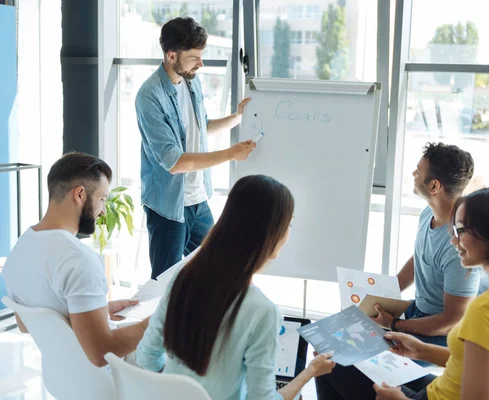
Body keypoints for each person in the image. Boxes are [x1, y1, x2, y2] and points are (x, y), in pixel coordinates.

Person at [136, 175, 335, 399]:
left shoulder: (183, 278)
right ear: (273, 234)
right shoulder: (262, 310)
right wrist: (311, 371)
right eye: (289, 224)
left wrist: (182, 388)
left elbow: (146, 357)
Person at [316, 142, 481, 398]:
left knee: (340, 358)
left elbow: (452, 321)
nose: (413, 175)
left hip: (439, 332)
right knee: (331, 342)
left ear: (434, 186)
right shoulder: (429, 214)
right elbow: (420, 257)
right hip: (418, 311)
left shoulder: (457, 245)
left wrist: (396, 324)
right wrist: (387, 292)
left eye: (418, 171)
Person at [372, 185, 489, 400]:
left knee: (337, 364)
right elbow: (480, 362)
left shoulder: (488, 308)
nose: (453, 240)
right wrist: (421, 350)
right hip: (445, 386)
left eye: (460, 231)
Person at [136, 17, 256, 279]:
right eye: (194, 57)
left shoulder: (191, 81)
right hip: (168, 206)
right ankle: (163, 322)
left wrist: (236, 117)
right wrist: (230, 154)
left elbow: (201, 127)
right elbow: (174, 161)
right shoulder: (149, 97)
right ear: (171, 56)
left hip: (198, 200)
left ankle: (201, 319)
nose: (200, 64)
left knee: (219, 269)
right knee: (164, 282)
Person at [2, 152, 148, 367]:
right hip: (110, 379)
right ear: (80, 194)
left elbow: (27, 324)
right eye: (102, 199)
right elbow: (102, 353)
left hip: (64, 375)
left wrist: (94, 311)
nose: (103, 211)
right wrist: (160, 322)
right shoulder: (79, 259)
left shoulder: (21, 249)